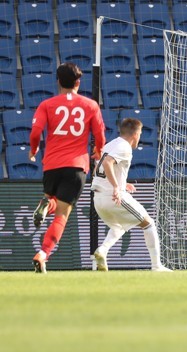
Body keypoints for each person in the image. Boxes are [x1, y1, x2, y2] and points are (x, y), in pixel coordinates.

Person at [30, 62, 106, 274]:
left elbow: (36, 132)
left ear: (58, 82)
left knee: (54, 201)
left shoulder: (47, 104)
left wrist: (34, 150)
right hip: (76, 166)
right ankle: (43, 254)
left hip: (51, 165)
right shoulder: (90, 105)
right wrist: (99, 151)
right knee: (62, 215)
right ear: (78, 83)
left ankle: (46, 204)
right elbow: (100, 134)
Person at [91, 118, 172, 272]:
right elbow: (108, 163)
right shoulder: (124, 147)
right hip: (112, 197)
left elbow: (98, 169)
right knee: (148, 224)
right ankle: (157, 266)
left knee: (119, 226)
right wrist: (116, 187)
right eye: (140, 134)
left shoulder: (110, 144)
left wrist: (121, 183)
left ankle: (102, 250)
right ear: (136, 134)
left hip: (98, 199)